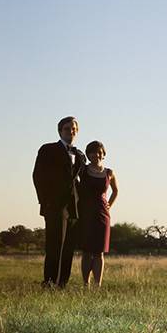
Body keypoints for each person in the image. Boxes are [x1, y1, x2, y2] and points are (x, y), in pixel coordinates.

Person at [33, 116, 86, 288]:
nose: (71, 131)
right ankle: (49, 282)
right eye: (67, 128)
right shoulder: (48, 150)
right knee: (55, 244)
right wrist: (45, 201)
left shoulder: (79, 155)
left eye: (74, 129)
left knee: (69, 246)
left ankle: (62, 283)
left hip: (74, 206)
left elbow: (81, 180)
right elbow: (38, 176)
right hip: (54, 205)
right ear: (60, 131)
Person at [77, 140, 118, 287]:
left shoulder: (109, 172)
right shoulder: (83, 170)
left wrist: (109, 205)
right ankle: (85, 284)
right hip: (85, 213)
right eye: (93, 152)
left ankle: (97, 285)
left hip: (102, 214)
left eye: (100, 152)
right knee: (87, 251)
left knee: (99, 252)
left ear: (104, 154)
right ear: (88, 154)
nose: (97, 155)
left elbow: (116, 191)